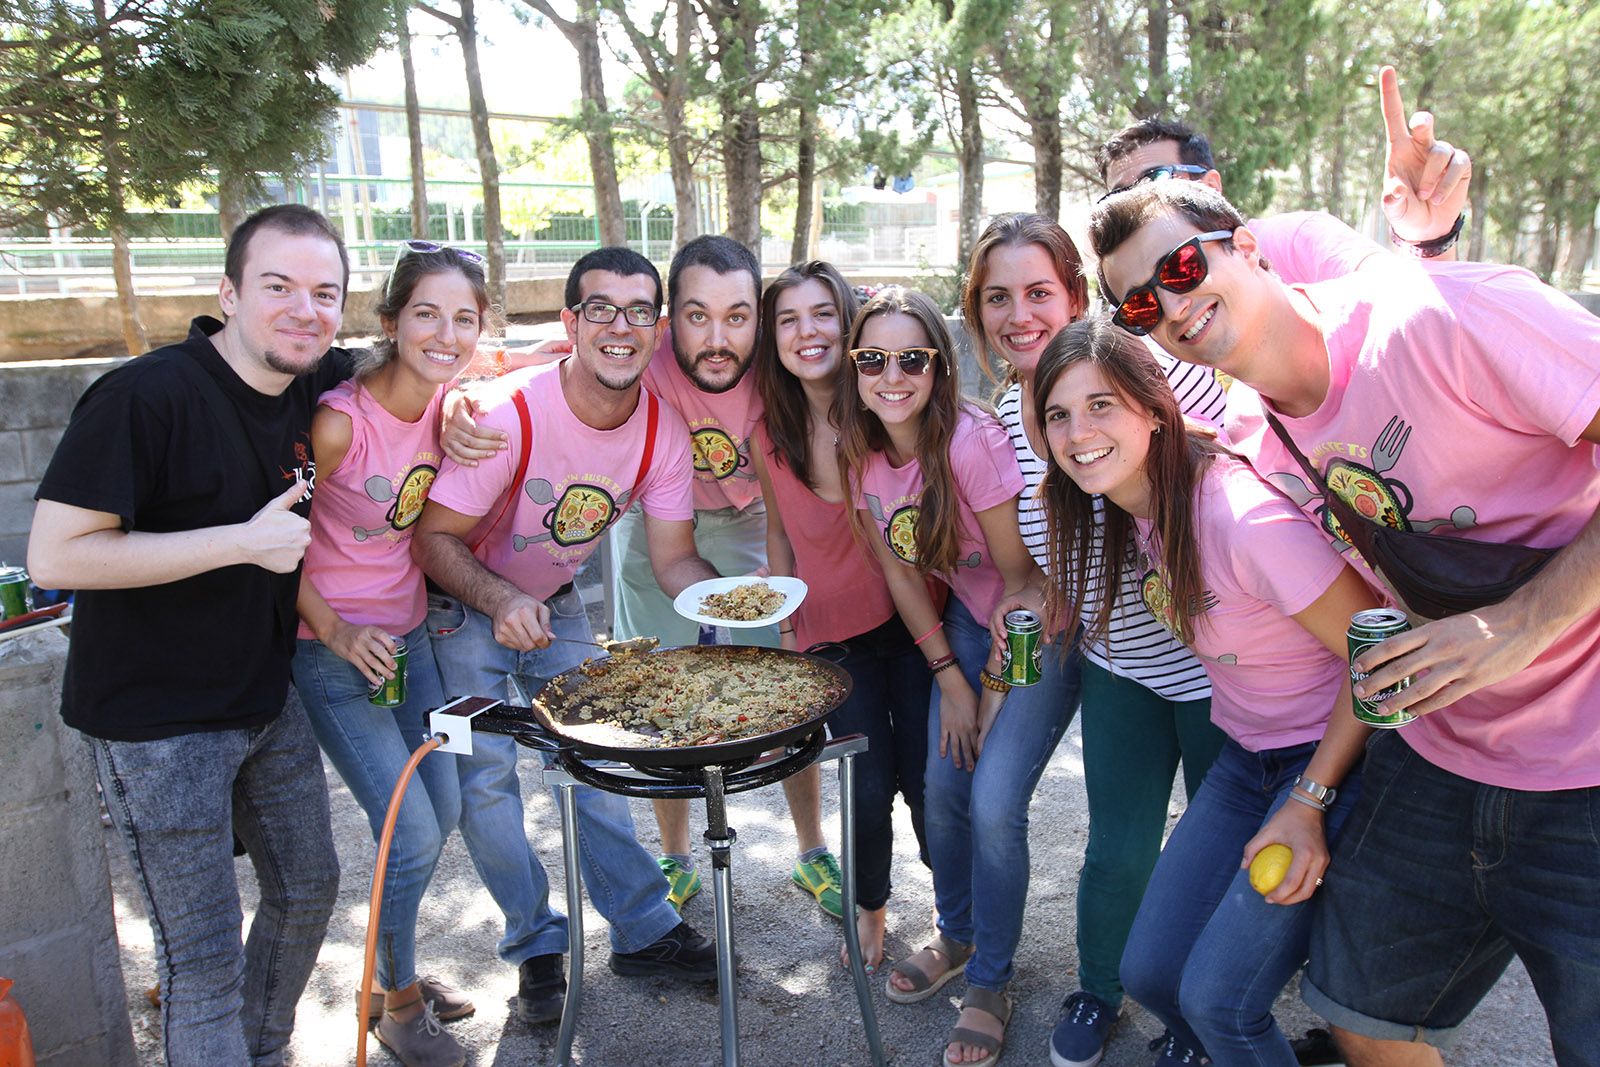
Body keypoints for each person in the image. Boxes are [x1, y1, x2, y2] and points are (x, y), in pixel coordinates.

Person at [1090, 171, 1600, 1065]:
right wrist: (1308, 797)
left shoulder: (1442, 313)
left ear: (1246, 245)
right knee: (1365, 1020)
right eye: (1138, 305)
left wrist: (1522, 622)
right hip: (1439, 755)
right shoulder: (1254, 440)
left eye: (1179, 265)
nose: (1169, 303)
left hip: (1586, 760)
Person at [27, 205, 351, 1066]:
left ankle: (260, 1050)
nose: (303, 308)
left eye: (325, 293)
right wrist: (243, 542)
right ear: (228, 291)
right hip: (158, 727)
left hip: (263, 698)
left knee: (311, 886)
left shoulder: (309, 382)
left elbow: (421, 359)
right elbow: (58, 552)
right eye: (277, 286)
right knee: (200, 962)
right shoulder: (146, 394)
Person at [1034, 315, 1378, 1064]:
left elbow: (1375, 652)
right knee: (1151, 972)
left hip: (1332, 763)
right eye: (1058, 413)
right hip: (1245, 762)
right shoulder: (1136, 510)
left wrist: (1310, 799)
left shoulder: (1236, 513)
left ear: (1154, 410)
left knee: (1220, 1000)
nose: (1076, 430)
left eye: (1101, 404)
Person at [412, 246, 723, 1019]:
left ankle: (644, 928)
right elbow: (431, 540)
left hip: (555, 601)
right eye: (601, 309)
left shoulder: (662, 434)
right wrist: (499, 598)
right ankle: (537, 945)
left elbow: (676, 559)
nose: (621, 326)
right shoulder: (506, 415)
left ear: (656, 328)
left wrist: (733, 598)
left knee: (605, 753)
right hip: (458, 604)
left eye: (639, 311)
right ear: (570, 322)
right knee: (485, 781)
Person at [961, 213, 1228, 1067]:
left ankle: (1199, 1011)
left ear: (1077, 296)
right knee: (1118, 846)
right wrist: (1023, 602)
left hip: (1222, 672)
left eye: (1039, 292)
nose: (1020, 314)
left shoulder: (1170, 378)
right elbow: (1041, 567)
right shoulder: (1005, 417)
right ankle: (1099, 987)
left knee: (1217, 847)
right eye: (998, 297)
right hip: (1120, 667)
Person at [838, 286, 1065, 1067]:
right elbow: (902, 576)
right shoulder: (858, 447)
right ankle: (960, 934)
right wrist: (953, 681)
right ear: (854, 366)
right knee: (943, 784)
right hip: (965, 626)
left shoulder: (969, 439)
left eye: (911, 358)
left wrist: (993, 690)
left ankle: (992, 980)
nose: (891, 374)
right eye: (873, 358)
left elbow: (1020, 579)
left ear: (939, 364)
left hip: (1030, 621)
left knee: (995, 798)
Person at [290, 242, 490, 1066]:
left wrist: (460, 405)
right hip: (332, 649)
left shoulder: (448, 405)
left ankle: (385, 972)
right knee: (408, 835)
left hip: (409, 641)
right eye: (426, 314)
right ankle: (398, 1005)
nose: (445, 333)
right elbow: (274, 539)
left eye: (464, 318)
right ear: (390, 321)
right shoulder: (338, 422)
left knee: (439, 813)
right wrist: (336, 631)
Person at [608, 235, 841, 919]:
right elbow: (542, 370)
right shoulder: (639, 361)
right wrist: (457, 402)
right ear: (667, 319)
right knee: (660, 688)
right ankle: (675, 857)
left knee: (790, 687)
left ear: (758, 320)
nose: (717, 336)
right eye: (696, 315)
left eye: (737, 316)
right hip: (651, 525)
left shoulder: (780, 361)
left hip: (751, 523)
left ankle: (811, 848)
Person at [750, 261, 933, 973]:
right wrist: (791, 633)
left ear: (848, 319)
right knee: (866, 777)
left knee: (928, 776)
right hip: (831, 632)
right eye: (789, 319)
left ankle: (956, 914)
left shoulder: (885, 407)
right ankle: (870, 904)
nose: (808, 331)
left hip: (913, 622)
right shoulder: (770, 431)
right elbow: (778, 534)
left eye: (823, 313)